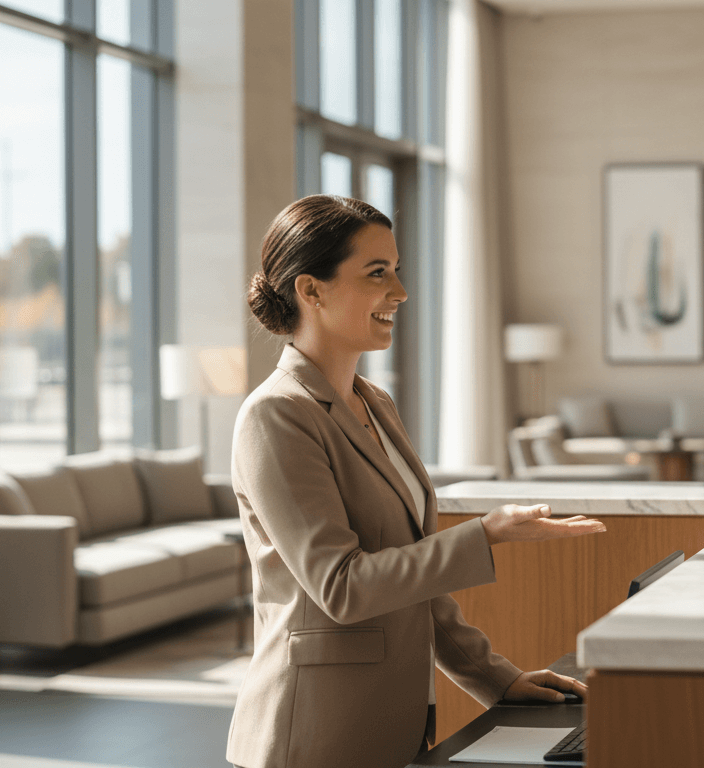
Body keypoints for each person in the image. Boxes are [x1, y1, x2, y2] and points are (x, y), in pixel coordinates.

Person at [227, 195, 607, 768]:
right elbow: (343, 587)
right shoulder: (275, 416)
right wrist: (486, 535)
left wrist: (497, 679)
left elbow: (412, 581)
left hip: (388, 727)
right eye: (377, 273)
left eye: (397, 271)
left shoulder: (374, 403)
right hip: (312, 734)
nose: (400, 292)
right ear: (311, 290)